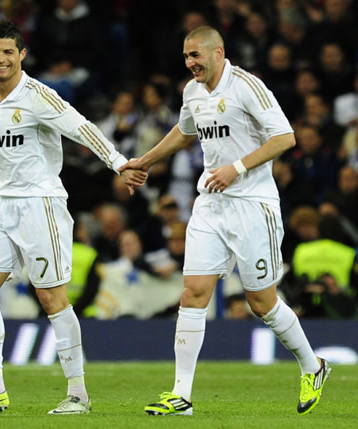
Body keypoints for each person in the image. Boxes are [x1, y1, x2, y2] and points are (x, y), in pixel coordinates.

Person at [119, 26, 331, 417]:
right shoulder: (192, 92)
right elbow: (183, 134)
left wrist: (236, 167)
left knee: (261, 302)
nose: (190, 63)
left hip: (253, 204)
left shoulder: (247, 86)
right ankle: (181, 394)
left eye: (195, 55)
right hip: (211, 203)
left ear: (218, 52)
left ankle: (313, 366)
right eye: (185, 57)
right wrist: (145, 162)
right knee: (193, 292)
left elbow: (285, 137)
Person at [0, 20, 147, 415]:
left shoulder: (39, 95)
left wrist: (119, 163)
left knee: (52, 298)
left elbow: (82, 128)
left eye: (8, 52)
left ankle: (78, 394)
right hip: (2, 204)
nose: (1, 58)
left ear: (21, 55)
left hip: (41, 204)